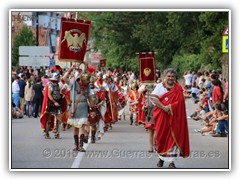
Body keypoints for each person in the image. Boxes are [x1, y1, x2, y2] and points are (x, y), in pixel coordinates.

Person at [150, 68, 190, 168]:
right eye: (168, 76)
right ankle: (161, 158)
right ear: (164, 76)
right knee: (161, 136)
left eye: (172, 76)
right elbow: (154, 98)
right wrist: (164, 107)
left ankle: (172, 162)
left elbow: (181, 102)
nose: (170, 78)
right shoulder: (159, 86)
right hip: (162, 116)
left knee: (174, 136)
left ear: (175, 77)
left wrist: (170, 107)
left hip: (175, 116)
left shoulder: (178, 88)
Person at [62, 65, 91, 152]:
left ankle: (80, 145)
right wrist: (70, 69)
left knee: (81, 126)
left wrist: (92, 108)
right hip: (74, 108)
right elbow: (64, 78)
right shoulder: (73, 83)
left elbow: (90, 97)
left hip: (83, 108)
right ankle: (76, 145)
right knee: (75, 127)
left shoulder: (87, 86)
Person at [40, 72, 66, 139]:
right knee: (49, 119)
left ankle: (57, 133)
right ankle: (47, 133)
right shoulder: (50, 85)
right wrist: (54, 102)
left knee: (59, 119)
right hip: (52, 103)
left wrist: (62, 95)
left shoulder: (57, 84)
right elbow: (49, 95)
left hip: (58, 102)